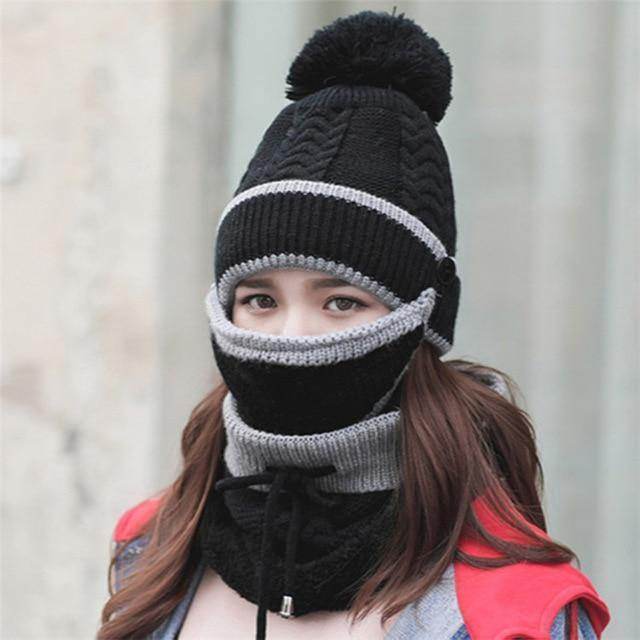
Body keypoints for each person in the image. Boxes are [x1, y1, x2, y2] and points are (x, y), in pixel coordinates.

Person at [97, 9, 611, 640]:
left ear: (423, 321)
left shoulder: (513, 611)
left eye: (341, 302)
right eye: (259, 300)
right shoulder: (152, 548)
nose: (290, 337)